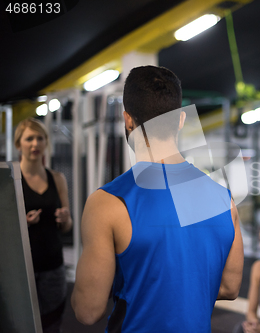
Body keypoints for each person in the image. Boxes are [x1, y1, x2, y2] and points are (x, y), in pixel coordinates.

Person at [71, 66, 244, 332]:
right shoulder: (225, 199)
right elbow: (230, 288)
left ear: (128, 120)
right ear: (181, 119)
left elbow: (88, 310)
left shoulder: (107, 204)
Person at [15, 118, 73, 333]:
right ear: (18, 144)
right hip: (23, 270)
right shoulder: (11, 180)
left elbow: (67, 226)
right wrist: (24, 224)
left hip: (53, 267)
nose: (35, 144)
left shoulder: (57, 179)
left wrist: (66, 219)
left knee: (51, 325)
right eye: (29, 138)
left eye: (40, 138)